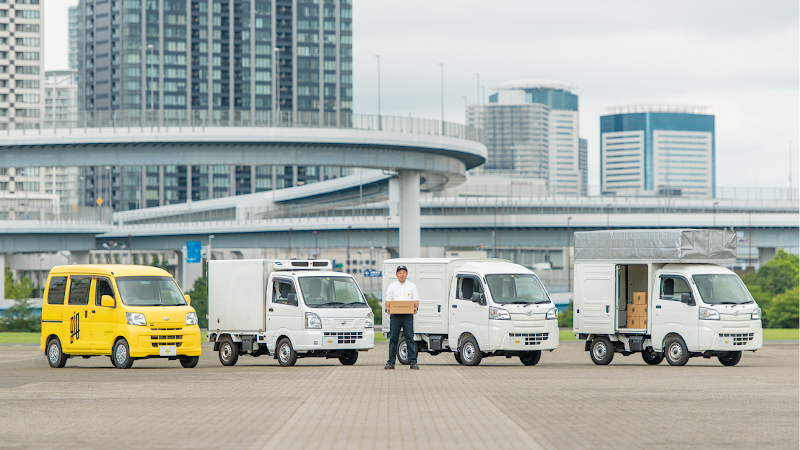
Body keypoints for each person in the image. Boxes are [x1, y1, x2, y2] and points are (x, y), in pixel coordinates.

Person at [384, 265, 419, 370]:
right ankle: (391, 362)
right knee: (393, 339)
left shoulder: (412, 286)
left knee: (409, 338)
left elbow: (416, 300)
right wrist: (388, 307)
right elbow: (388, 300)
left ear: (407, 274)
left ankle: (413, 362)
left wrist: (415, 307)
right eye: (400, 273)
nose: (402, 274)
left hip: (408, 315)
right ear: (396, 275)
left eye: (404, 272)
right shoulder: (392, 286)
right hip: (395, 316)